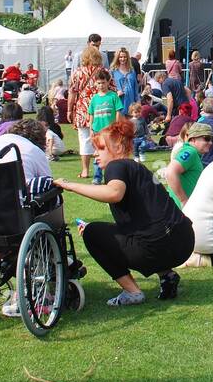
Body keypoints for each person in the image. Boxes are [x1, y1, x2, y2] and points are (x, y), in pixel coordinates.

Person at [57, 119, 191, 306]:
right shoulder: (138, 169)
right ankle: (166, 275)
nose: (96, 154)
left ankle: (132, 291)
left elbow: (114, 193)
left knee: (92, 233)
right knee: (133, 231)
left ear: (118, 148)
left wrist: (69, 185)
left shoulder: (117, 166)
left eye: (101, 149)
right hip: (184, 242)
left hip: (157, 247)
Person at [162, 122, 213, 207]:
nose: (211, 142)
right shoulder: (190, 152)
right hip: (180, 209)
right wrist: (183, 200)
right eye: (207, 138)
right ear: (193, 139)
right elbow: (170, 172)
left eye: (212, 139)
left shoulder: (194, 153)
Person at [68, 47, 101, 179]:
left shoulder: (77, 73)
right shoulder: (103, 72)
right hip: (100, 108)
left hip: (82, 108)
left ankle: (85, 170)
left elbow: (72, 92)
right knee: (101, 139)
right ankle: (101, 169)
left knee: (84, 140)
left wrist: (69, 109)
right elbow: (113, 89)